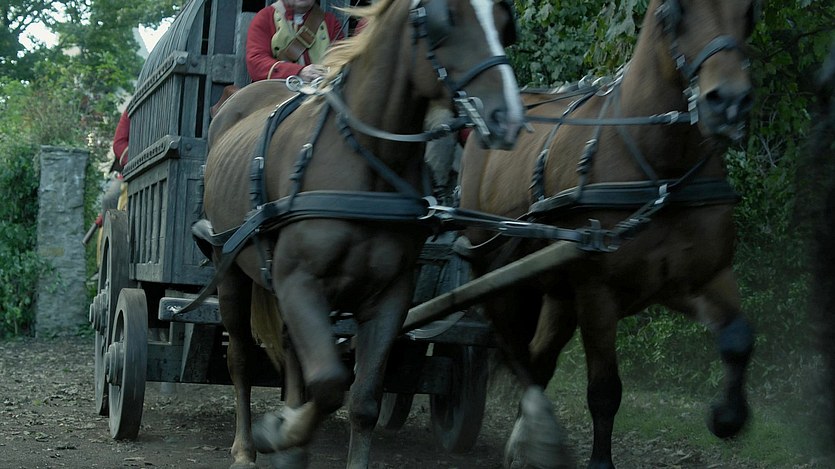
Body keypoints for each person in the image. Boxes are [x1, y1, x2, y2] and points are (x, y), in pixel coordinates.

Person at [245, 0, 345, 82]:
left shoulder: (330, 22)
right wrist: (298, 72)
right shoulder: (265, 17)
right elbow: (256, 64)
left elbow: (341, 63)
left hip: (320, 93)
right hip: (277, 94)